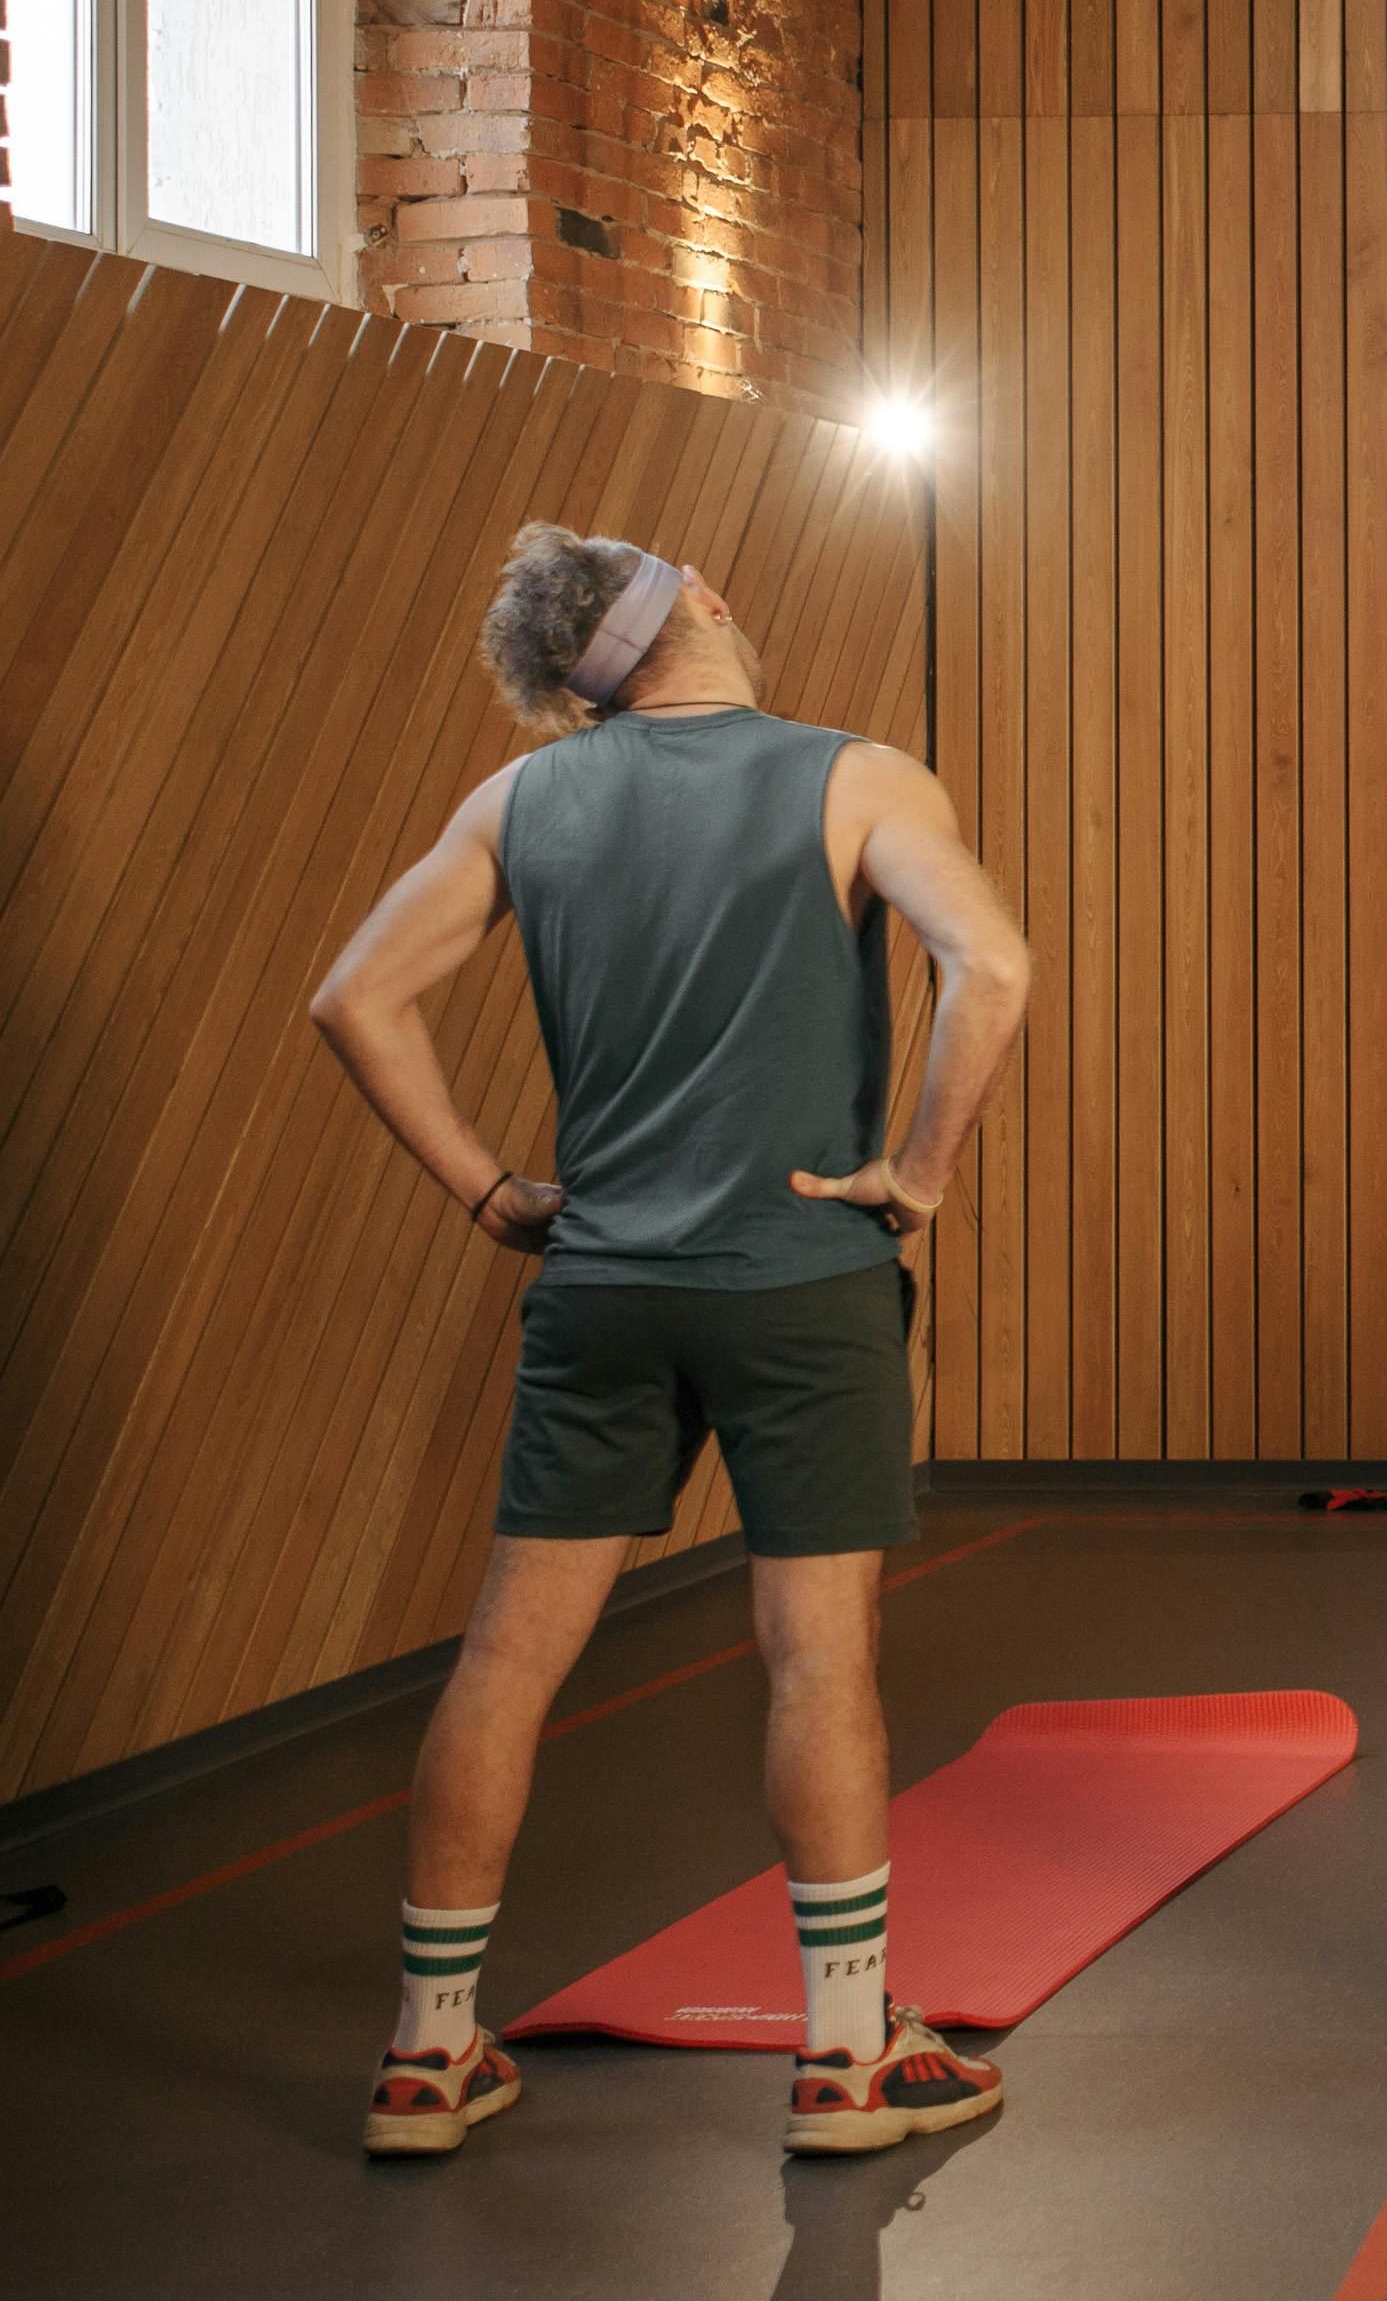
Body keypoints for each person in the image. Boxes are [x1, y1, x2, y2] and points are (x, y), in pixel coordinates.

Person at [313, 525, 1034, 2159]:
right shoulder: (858, 777)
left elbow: (354, 995)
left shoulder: (520, 802)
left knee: (508, 1657)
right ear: (702, 602)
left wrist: (488, 1188)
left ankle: (428, 2052)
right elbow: (991, 966)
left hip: (602, 1285)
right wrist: (918, 1174)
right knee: (816, 1654)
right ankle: (846, 2056)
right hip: (800, 1277)